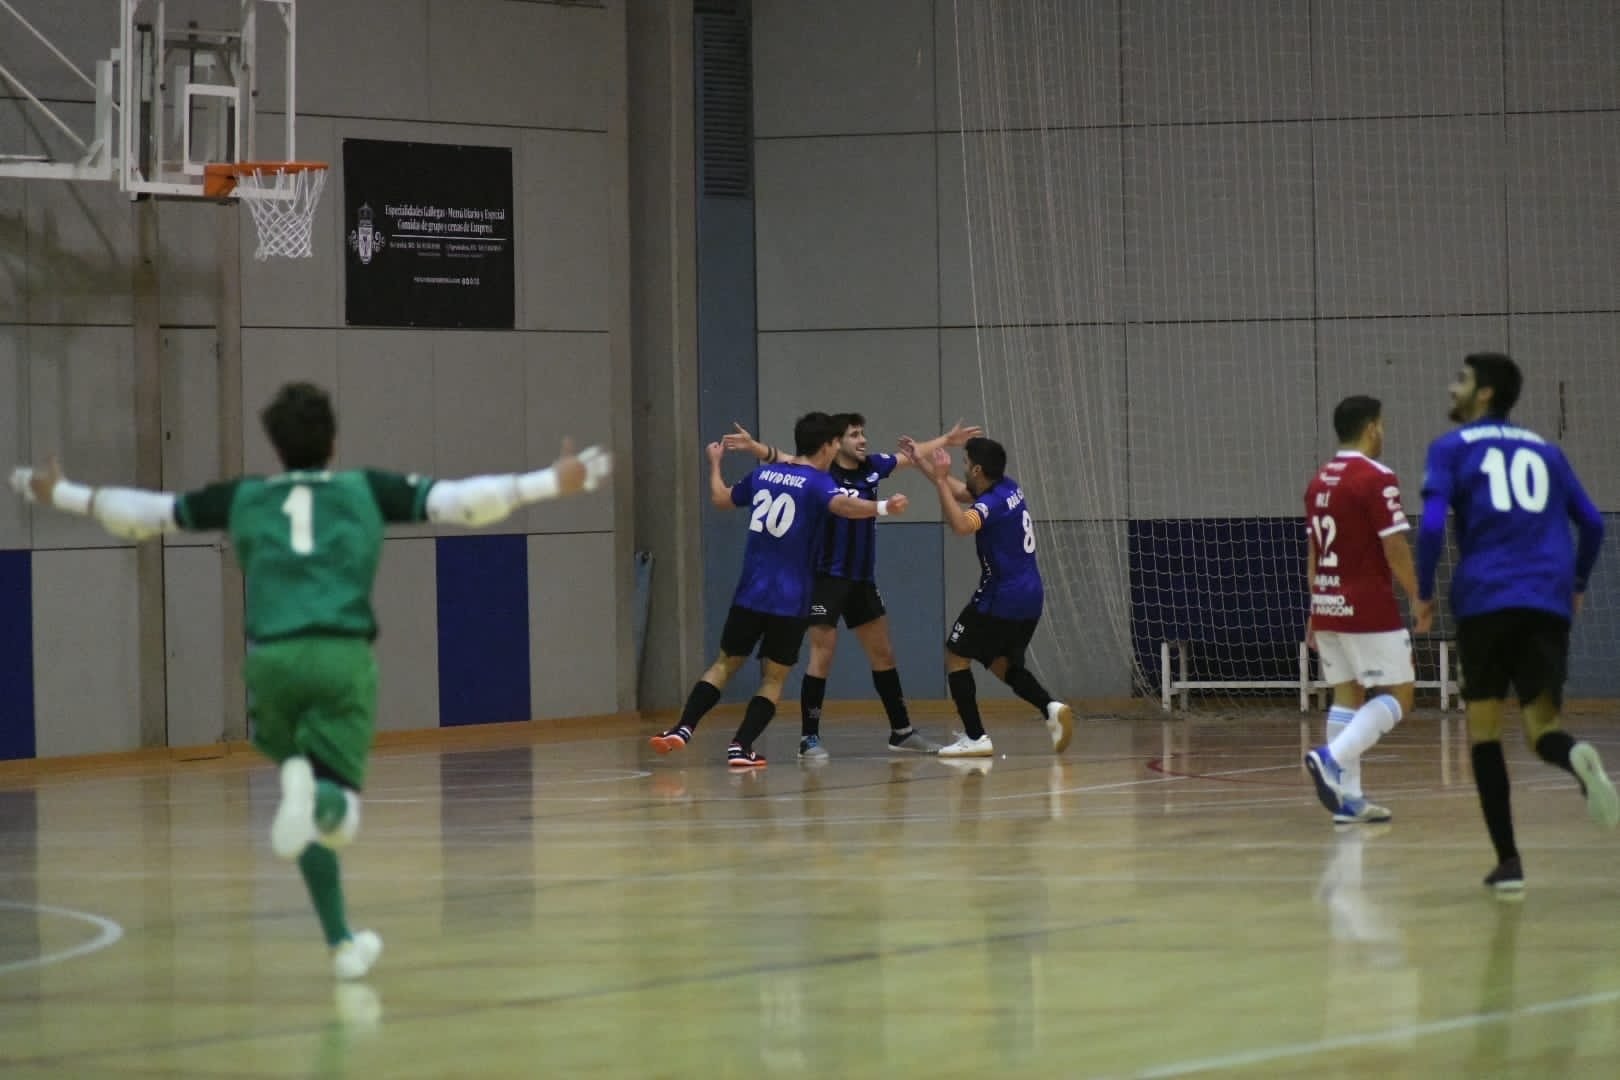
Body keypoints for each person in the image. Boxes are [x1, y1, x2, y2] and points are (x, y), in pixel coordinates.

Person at [10, 382, 610, 977]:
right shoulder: (364, 490)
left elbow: (145, 514)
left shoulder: (246, 497)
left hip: (270, 660)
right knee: (337, 815)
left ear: (275, 446)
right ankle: (317, 798)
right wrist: (549, 482)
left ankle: (342, 943)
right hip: (340, 658)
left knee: (295, 780)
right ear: (334, 440)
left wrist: (60, 491)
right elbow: (461, 502)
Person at [1413, 352, 1613, 893]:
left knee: (1483, 733)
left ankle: (1508, 864)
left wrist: (1424, 592)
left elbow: (1432, 525)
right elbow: (1593, 524)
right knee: (1541, 729)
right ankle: (1576, 757)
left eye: (1461, 379)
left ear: (1484, 393)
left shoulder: (1450, 448)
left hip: (1485, 598)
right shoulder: (1548, 451)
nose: (1452, 387)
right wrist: (1575, 585)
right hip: (1546, 599)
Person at [650, 412, 907, 767]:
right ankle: (741, 746)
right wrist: (882, 506)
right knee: (773, 678)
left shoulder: (762, 475)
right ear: (828, 446)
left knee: (724, 664)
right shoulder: (818, 483)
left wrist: (714, 464)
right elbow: (843, 506)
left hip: (750, 593)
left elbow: (722, 499)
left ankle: (682, 728)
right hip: (790, 599)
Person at [724, 414, 981, 759]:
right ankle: (809, 738)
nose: (862, 440)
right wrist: (754, 446)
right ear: (834, 442)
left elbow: (911, 455)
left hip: (861, 578)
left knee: (883, 653)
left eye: (863, 433)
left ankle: (901, 731)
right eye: (854, 435)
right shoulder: (817, 473)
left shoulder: (873, 466)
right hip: (824, 579)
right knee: (822, 656)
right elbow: (780, 457)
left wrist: (946, 440)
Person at [898, 435, 1072, 758]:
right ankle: (1050, 707)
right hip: (1030, 597)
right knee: (998, 662)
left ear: (977, 469)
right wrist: (924, 465)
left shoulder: (990, 504)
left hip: (1001, 596)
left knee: (955, 654)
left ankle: (976, 737)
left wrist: (937, 482)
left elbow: (962, 525)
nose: (962, 469)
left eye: (964, 463)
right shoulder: (1007, 488)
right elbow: (963, 493)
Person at [1301, 396, 1421, 825]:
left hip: (1329, 603)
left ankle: (1348, 800)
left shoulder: (1319, 481)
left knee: (1347, 693)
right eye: (1382, 425)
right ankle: (1331, 758)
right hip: (1366, 605)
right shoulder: (1375, 477)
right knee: (1401, 694)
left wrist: (1316, 608)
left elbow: (1315, 553)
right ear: (1372, 428)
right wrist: (1418, 595)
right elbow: (1394, 546)